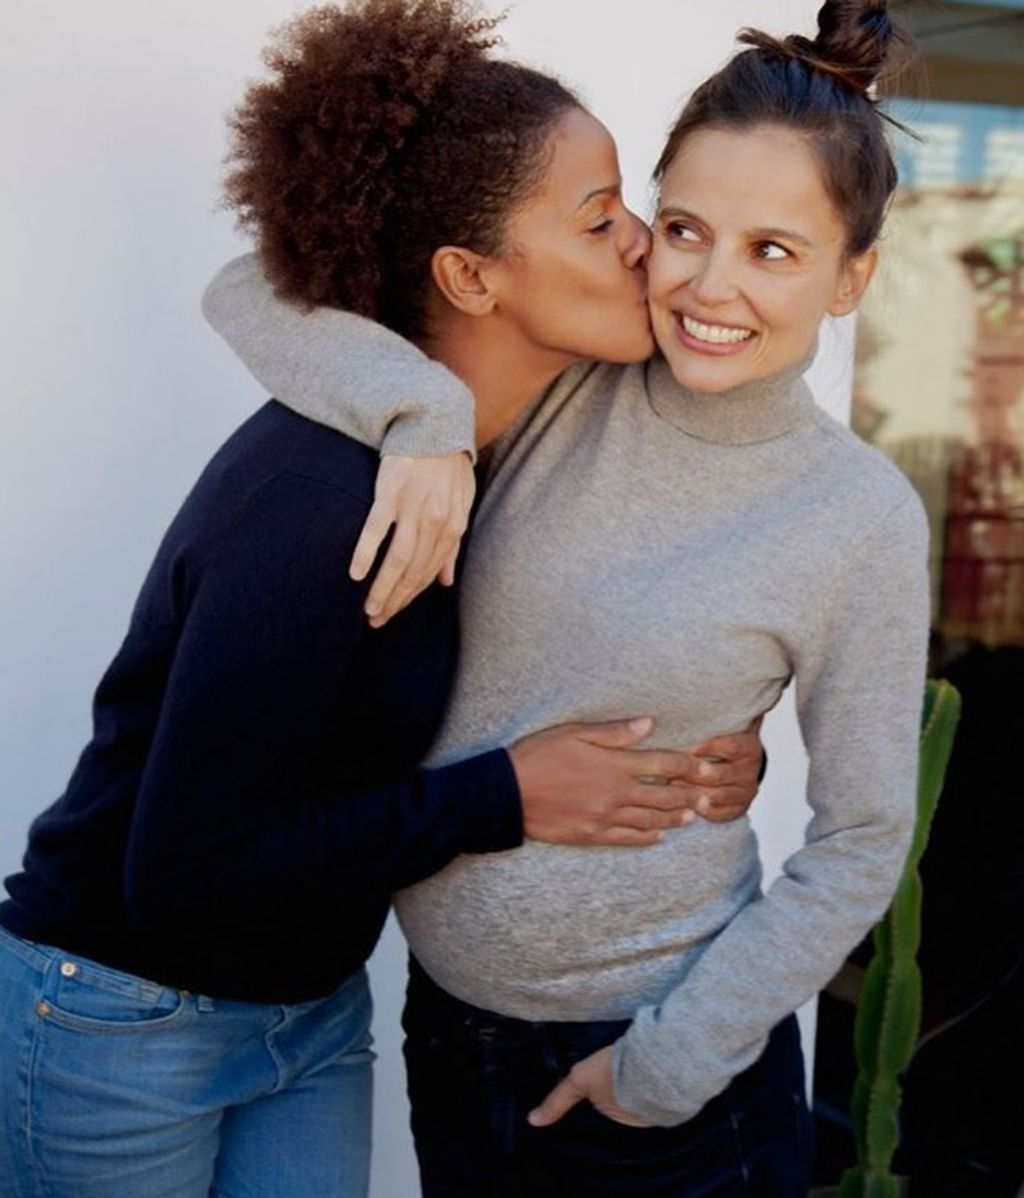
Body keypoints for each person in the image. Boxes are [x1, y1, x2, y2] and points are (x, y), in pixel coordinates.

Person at [0, 4, 767, 1197]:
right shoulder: (315, 504)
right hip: (123, 1014)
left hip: (309, 1013)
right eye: (598, 214)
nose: (639, 243)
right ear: (465, 274)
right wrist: (502, 796)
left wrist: (722, 741)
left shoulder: (500, 442)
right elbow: (185, 869)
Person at [203, 0, 930, 1194]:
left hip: (667, 1083)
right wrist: (422, 419)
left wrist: (667, 1067)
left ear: (853, 277)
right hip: (449, 1032)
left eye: (774, 251)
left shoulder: (853, 517)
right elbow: (249, 287)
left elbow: (860, 840)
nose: (709, 284)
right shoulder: (570, 372)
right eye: (684, 227)